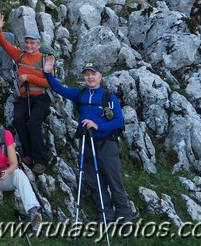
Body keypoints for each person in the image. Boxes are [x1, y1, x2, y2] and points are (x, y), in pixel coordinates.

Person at [44, 61, 134, 224]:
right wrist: (48, 73)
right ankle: (105, 216)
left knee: (114, 180)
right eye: (87, 74)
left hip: (106, 143)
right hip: (86, 142)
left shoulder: (108, 97)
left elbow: (119, 121)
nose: (90, 77)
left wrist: (98, 125)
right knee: (94, 181)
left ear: (100, 76)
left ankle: (124, 218)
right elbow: (59, 89)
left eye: (93, 73)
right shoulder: (80, 94)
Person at [0, 13, 50, 175]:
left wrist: (28, 77)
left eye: (32, 43)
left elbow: (48, 82)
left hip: (40, 98)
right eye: (27, 42)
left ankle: (40, 160)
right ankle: (27, 155)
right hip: (24, 97)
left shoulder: (45, 59)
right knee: (18, 120)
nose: (29, 45)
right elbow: (5, 45)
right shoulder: (20, 55)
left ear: (38, 45)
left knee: (33, 123)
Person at [0, 108, 42, 234]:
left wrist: (8, 172)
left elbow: (14, 162)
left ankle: (34, 213)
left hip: (6, 176)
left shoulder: (6, 134)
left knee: (20, 173)